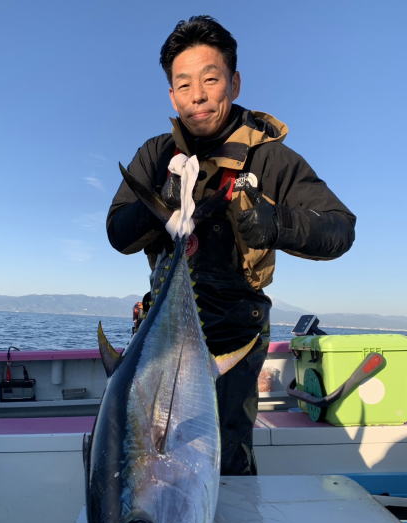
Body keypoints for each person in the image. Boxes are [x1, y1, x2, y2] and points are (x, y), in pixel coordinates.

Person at [106, 16, 356, 475]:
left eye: (210, 79)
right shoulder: (155, 155)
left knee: (221, 457)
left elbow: (340, 229)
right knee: (148, 456)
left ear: (234, 83)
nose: (197, 95)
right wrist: (157, 206)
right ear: (172, 95)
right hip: (160, 332)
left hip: (235, 335)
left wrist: (276, 223)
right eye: (184, 85)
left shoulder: (271, 158)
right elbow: (118, 233)